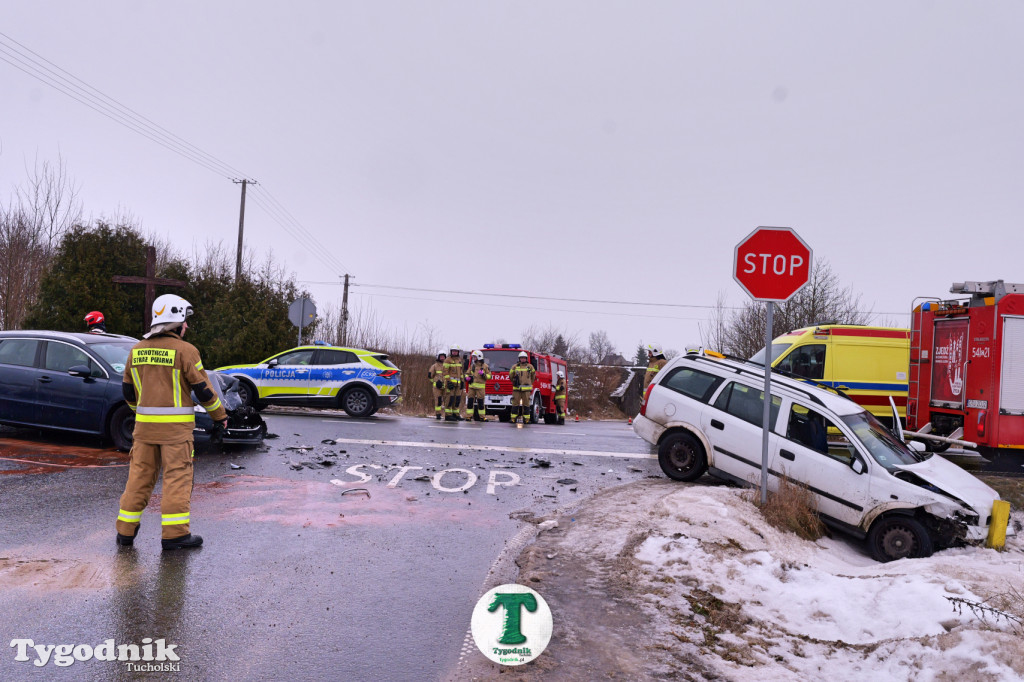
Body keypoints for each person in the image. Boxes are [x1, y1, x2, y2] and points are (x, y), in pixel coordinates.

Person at [116, 294, 227, 551]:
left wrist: (142, 413)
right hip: (176, 434)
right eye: (185, 321)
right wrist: (220, 417)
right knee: (176, 478)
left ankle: (125, 532)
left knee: (139, 479)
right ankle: (175, 535)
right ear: (176, 321)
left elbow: (128, 393)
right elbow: (204, 391)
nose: (186, 326)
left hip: (143, 431)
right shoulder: (186, 351)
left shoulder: (137, 350)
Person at [509, 351, 536, 425]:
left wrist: (530, 383)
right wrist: (514, 382)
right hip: (516, 389)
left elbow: (533, 376)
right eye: (521, 358)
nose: (523, 359)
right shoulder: (515, 367)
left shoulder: (530, 367)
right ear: (519, 359)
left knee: (526, 405)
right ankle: (513, 418)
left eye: (524, 358)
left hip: (526, 390)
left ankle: (526, 419)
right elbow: (510, 376)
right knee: (515, 404)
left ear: (526, 359)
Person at [466, 350, 492, 422]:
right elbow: (467, 373)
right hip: (471, 387)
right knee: (470, 402)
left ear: (479, 357)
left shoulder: (485, 366)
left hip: (480, 388)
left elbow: (490, 376)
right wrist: (467, 377)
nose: (474, 358)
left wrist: (483, 374)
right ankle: (469, 416)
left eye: (475, 357)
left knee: (481, 403)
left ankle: (482, 417)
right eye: (473, 357)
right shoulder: (472, 366)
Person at [442, 345, 465, 421]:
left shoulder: (459, 360)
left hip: (458, 384)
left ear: (458, 352)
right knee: (449, 399)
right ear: (451, 351)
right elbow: (445, 372)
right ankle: (448, 415)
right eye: (453, 351)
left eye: (456, 351)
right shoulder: (447, 360)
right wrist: (448, 382)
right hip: (450, 384)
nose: (454, 352)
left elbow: (461, 372)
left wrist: (462, 381)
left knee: (457, 400)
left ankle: (456, 414)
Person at [427, 350, 447, 420]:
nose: (442, 358)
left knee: (447, 400)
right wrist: (435, 382)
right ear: (438, 357)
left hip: (446, 386)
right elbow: (430, 376)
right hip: (437, 387)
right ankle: (438, 414)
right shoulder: (434, 366)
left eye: (443, 356)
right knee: (438, 400)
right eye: (441, 356)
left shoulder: (447, 365)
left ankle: (447, 415)